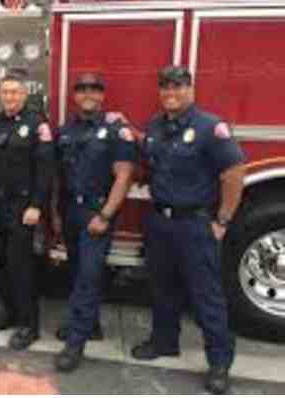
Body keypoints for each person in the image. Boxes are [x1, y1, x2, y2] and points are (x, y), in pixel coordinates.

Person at [130, 65, 245, 394]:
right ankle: (164, 342)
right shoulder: (155, 125)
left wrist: (222, 220)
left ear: (191, 90)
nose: (171, 93)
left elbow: (234, 173)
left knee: (206, 295)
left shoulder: (210, 127)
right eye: (166, 88)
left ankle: (219, 363)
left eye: (178, 87)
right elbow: (151, 161)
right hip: (160, 222)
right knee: (162, 288)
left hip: (195, 223)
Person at [52, 73, 137, 372]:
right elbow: (58, 177)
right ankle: (92, 325)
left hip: (96, 213)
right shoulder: (64, 130)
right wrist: (56, 214)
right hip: (71, 212)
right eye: (83, 89)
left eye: (95, 89)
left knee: (88, 276)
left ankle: (75, 344)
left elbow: (124, 176)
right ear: (75, 95)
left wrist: (105, 216)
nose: (89, 94)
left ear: (102, 95)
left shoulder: (116, 130)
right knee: (77, 272)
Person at [0, 69, 54, 350]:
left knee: (21, 266)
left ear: (25, 94)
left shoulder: (38, 124)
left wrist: (37, 205)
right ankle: (9, 311)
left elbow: (46, 170)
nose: (10, 96)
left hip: (23, 207)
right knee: (2, 263)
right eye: (5, 92)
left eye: (15, 92)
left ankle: (29, 325)